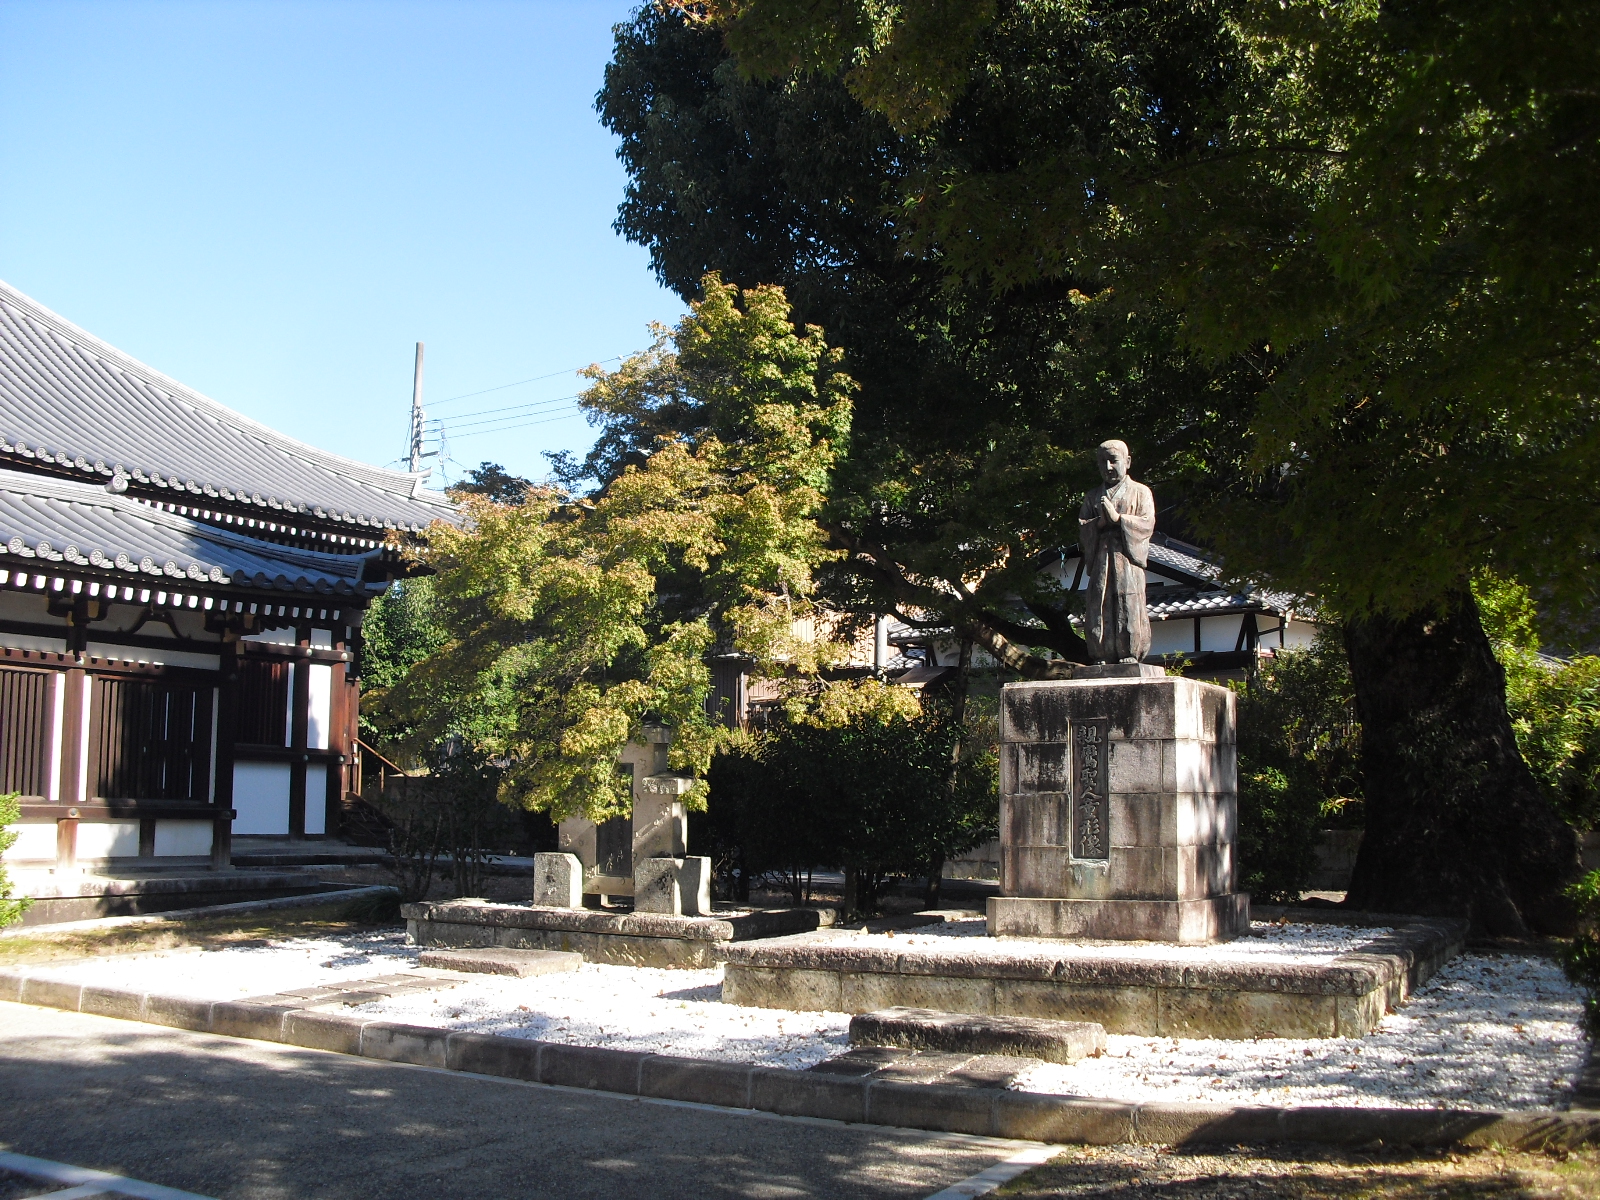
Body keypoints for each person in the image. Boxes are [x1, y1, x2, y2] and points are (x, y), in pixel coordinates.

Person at [1077, 440, 1155, 663]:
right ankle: (1100, 652)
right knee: (1098, 602)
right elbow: (1083, 526)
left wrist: (1119, 519)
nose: (1108, 467)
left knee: (1128, 601)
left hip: (1126, 559)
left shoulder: (1140, 492)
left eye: (1113, 460)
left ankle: (1130, 651)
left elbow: (1147, 523)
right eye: (1102, 462)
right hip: (1101, 558)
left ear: (1127, 462)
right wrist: (1100, 522)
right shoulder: (1092, 496)